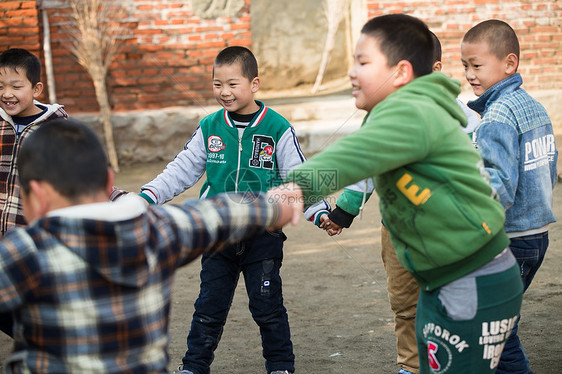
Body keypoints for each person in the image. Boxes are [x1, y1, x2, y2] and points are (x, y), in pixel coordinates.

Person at [270, 14, 524, 373]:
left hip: (472, 280)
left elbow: (349, 158)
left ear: (401, 72)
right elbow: (364, 159)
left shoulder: (413, 114)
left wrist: (291, 191)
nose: (351, 73)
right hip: (441, 279)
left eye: (362, 62)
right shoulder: (394, 114)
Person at [0, 117, 300, 373]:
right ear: (108, 183)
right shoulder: (156, 231)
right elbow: (218, 214)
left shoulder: (21, 252)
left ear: (34, 198)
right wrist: (275, 206)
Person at [140, 46, 329, 374]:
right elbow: (182, 169)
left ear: (254, 84)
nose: (224, 92)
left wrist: (320, 212)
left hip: (263, 234)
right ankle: (193, 366)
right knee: (208, 307)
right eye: (217, 84)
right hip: (216, 234)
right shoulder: (210, 126)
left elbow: (298, 177)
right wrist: (149, 196)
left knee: (267, 306)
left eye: (232, 84)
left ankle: (280, 366)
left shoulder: (277, 128)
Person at [318, 31, 481, 374]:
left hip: (449, 231)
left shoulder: (467, 118)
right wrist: (343, 212)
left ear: (435, 70)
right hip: (399, 231)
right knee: (405, 301)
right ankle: (411, 364)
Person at [461, 20, 558, 374]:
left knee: (493, 332)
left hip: (509, 240)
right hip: (536, 234)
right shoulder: (533, 107)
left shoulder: (496, 118)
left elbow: (498, 187)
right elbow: (550, 165)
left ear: (509, 63)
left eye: (477, 65)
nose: (470, 74)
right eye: (465, 66)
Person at [0, 47, 68, 337]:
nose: (7, 93)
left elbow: (79, 175)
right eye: (0, 86)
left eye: (17, 86)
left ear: (36, 88)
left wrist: (116, 198)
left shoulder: (56, 127)